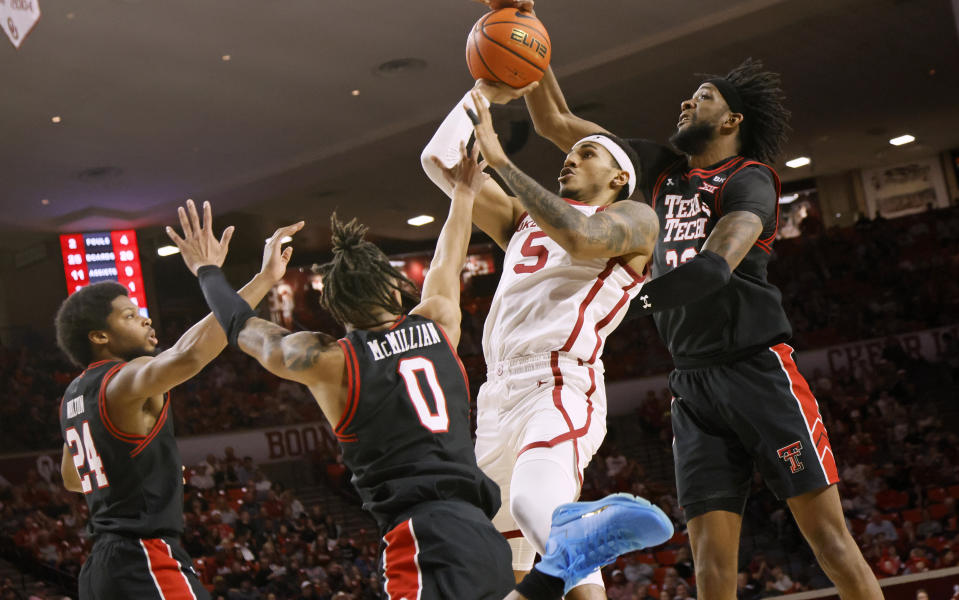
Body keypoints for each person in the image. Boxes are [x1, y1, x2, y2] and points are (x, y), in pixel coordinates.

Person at [466, 0, 883, 600]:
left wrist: (644, 297)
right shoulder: (660, 171)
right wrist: (531, 35)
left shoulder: (750, 180)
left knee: (829, 542)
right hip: (692, 382)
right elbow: (554, 117)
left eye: (703, 97)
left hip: (756, 369)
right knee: (710, 565)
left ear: (732, 119)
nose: (687, 105)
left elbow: (718, 264)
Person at [170, 150, 672, 600]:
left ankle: (561, 565)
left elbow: (242, 328)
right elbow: (446, 259)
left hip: (423, 536)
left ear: (335, 311)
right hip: (479, 531)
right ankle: (554, 572)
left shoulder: (328, 361)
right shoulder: (438, 323)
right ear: (395, 294)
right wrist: (462, 195)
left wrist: (211, 273)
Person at [420, 65, 659, 594]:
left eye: (586, 154)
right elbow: (439, 163)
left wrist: (502, 162)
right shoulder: (526, 219)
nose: (569, 158)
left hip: (559, 384)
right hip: (495, 395)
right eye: (570, 154)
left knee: (541, 510)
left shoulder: (637, 219)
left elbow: (580, 237)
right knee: (492, 558)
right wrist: (482, 91)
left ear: (620, 177)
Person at [55, 199, 302, 599]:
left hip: (100, 569)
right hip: (143, 559)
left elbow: (72, 477)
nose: (146, 318)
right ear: (99, 336)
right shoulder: (123, 380)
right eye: (130, 316)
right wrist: (248, 278)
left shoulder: (72, 395)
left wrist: (137, 473)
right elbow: (188, 353)